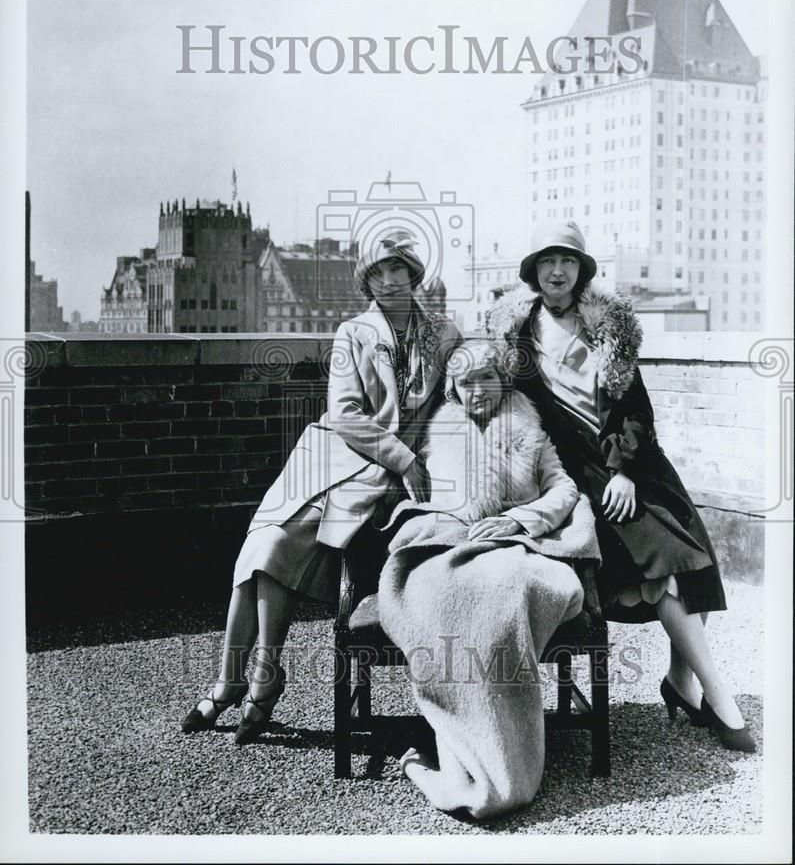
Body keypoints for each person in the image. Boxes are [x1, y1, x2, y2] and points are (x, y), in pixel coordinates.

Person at [181, 230, 461, 744]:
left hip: (382, 476)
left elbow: (461, 396)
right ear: (368, 281)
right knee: (265, 545)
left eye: (399, 268)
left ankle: (249, 684)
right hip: (332, 455)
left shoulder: (443, 334)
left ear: (414, 273)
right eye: (379, 272)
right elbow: (346, 413)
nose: (391, 280)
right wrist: (401, 456)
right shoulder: (352, 332)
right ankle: (239, 679)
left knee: (277, 551)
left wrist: (425, 460)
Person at [486, 220, 755, 753]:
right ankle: (718, 697)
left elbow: (634, 405)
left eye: (567, 261)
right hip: (579, 475)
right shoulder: (514, 335)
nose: (557, 271)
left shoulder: (608, 324)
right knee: (665, 568)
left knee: (692, 558)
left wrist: (628, 470)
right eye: (547, 262)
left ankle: (681, 682)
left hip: (636, 463)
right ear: (534, 271)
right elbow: (507, 408)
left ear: (581, 270)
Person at [378, 339, 600, 819]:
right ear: (453, 389)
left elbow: (564, 488)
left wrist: (521, 519)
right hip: (447, 545)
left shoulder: (530, 432)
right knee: (444, 600)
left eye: (486, 378)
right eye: (465, 382)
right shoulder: (441, 433)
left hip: (517, 547)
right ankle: (473, 770)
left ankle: (468, 777)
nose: (477, 390)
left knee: (504, 596)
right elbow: (432, 505)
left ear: (502, 381)